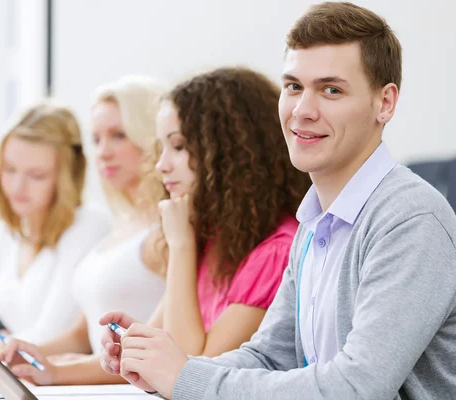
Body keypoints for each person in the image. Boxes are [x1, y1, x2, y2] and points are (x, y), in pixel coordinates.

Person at [98, 2, 456, 399]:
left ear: (385, 103)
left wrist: (184, 377)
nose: (302, 111)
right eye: (293, 87)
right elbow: (271, 356)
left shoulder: (410, 220)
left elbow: (358, 388)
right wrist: (161, 368)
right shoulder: (314, 221)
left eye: (331, 90)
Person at [101, 65, 310, 370]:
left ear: (230, 153)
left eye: (179, 146)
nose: (161, 166)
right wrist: (55, 370)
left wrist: (181, 245)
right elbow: (163, 346)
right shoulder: (213, 241)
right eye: (161, 148)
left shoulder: (277, 251)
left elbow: (191, 371)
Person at [0, 76, 167, 385]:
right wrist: (30, 351)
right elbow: (81, 333)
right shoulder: (123, 226)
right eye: (97, 139)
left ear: (151, 136)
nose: (103, 152)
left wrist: (59, 372)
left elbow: (164, 349)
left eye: (119, 135)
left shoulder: (169, 229)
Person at [0, 101, 110, 359]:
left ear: (65, 177)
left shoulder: (88, 226)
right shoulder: (6, 234)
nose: (17, 187)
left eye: (36, 175)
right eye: (9, 170)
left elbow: (50, 333)